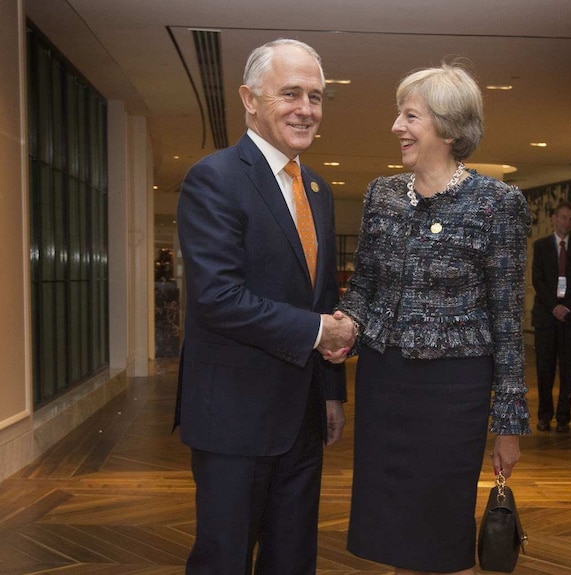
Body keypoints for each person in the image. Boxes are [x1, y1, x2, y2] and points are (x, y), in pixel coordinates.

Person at [335, 63, 530, 575]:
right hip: (384, 382)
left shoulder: (498, 203)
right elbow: (365, 288)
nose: (396, 126)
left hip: (453, 393)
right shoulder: (382, 195)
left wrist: (507, 426)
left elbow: (508, 319)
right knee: (397, 534)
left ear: (446, 127)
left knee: (442, 536)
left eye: (409, 115)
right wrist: (343, 327)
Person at [174, 38, 354, 575]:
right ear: (250, 99)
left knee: (293, 558)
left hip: (302, 416)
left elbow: (319, 296)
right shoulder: (215, 178)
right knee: (224, 560)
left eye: (316, 97)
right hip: (233, 416)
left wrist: (331, 392)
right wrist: (321, 331)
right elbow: (217, 299)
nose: (306, 109)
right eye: (291, 94)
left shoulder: (317, 188)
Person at [532, 201, 571, 432]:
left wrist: (566, 307)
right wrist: (554, 306)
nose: (567, 222)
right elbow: (538, 280)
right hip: (546, 317)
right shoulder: (541, 246)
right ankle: (544, 415)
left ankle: (564, 417)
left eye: (570, 219)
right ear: (554, 219)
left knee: (568, 369)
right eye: (563, 217)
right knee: (545, 369)